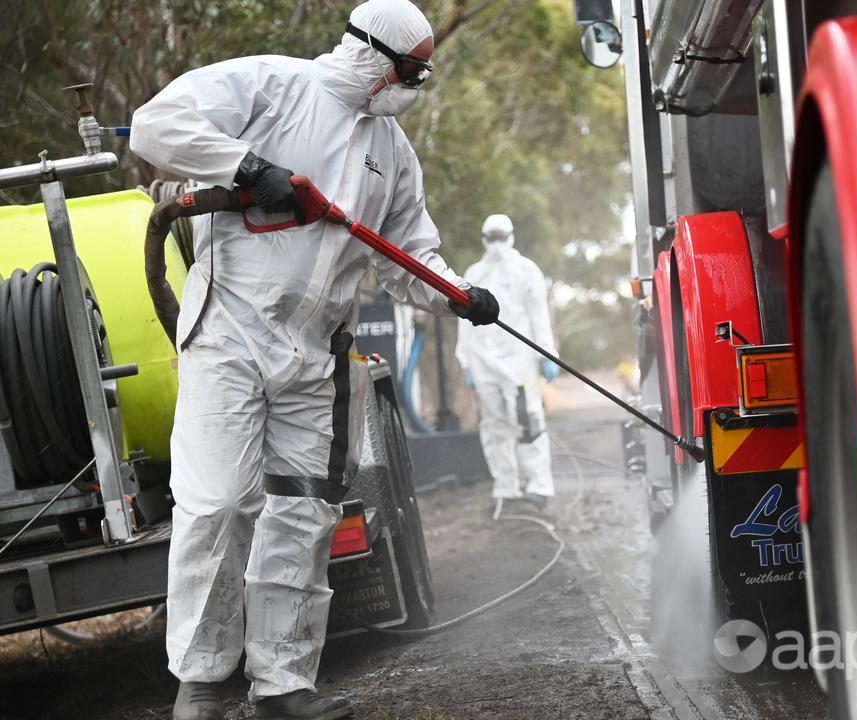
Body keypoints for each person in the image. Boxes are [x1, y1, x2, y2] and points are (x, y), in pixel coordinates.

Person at [129, 2, 499, 718]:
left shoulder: (391, 150)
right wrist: (248, 167)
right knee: (220, 505)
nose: (416, 84)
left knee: (302, 519)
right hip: (230, 340)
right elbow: (154, 125)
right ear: (371, 53)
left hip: (314, 357)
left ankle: (284, 688)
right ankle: (202, 685)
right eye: (412, 69)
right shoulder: (270, 85)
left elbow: (408, 255)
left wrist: (458, 293)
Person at [455, 214, 558, 517]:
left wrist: (545, 355)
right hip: (483, 362)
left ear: (511, 236)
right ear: (484, 239)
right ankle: (506, 488)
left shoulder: (527, 270)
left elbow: (539, 314)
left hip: (520, 362)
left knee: (528, 426)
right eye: (492, 236)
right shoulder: (474, 272)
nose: (497, 242)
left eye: (502, 235)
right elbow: (463, 321)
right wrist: (466, 362)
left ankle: (539, 488)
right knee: (494, 428)